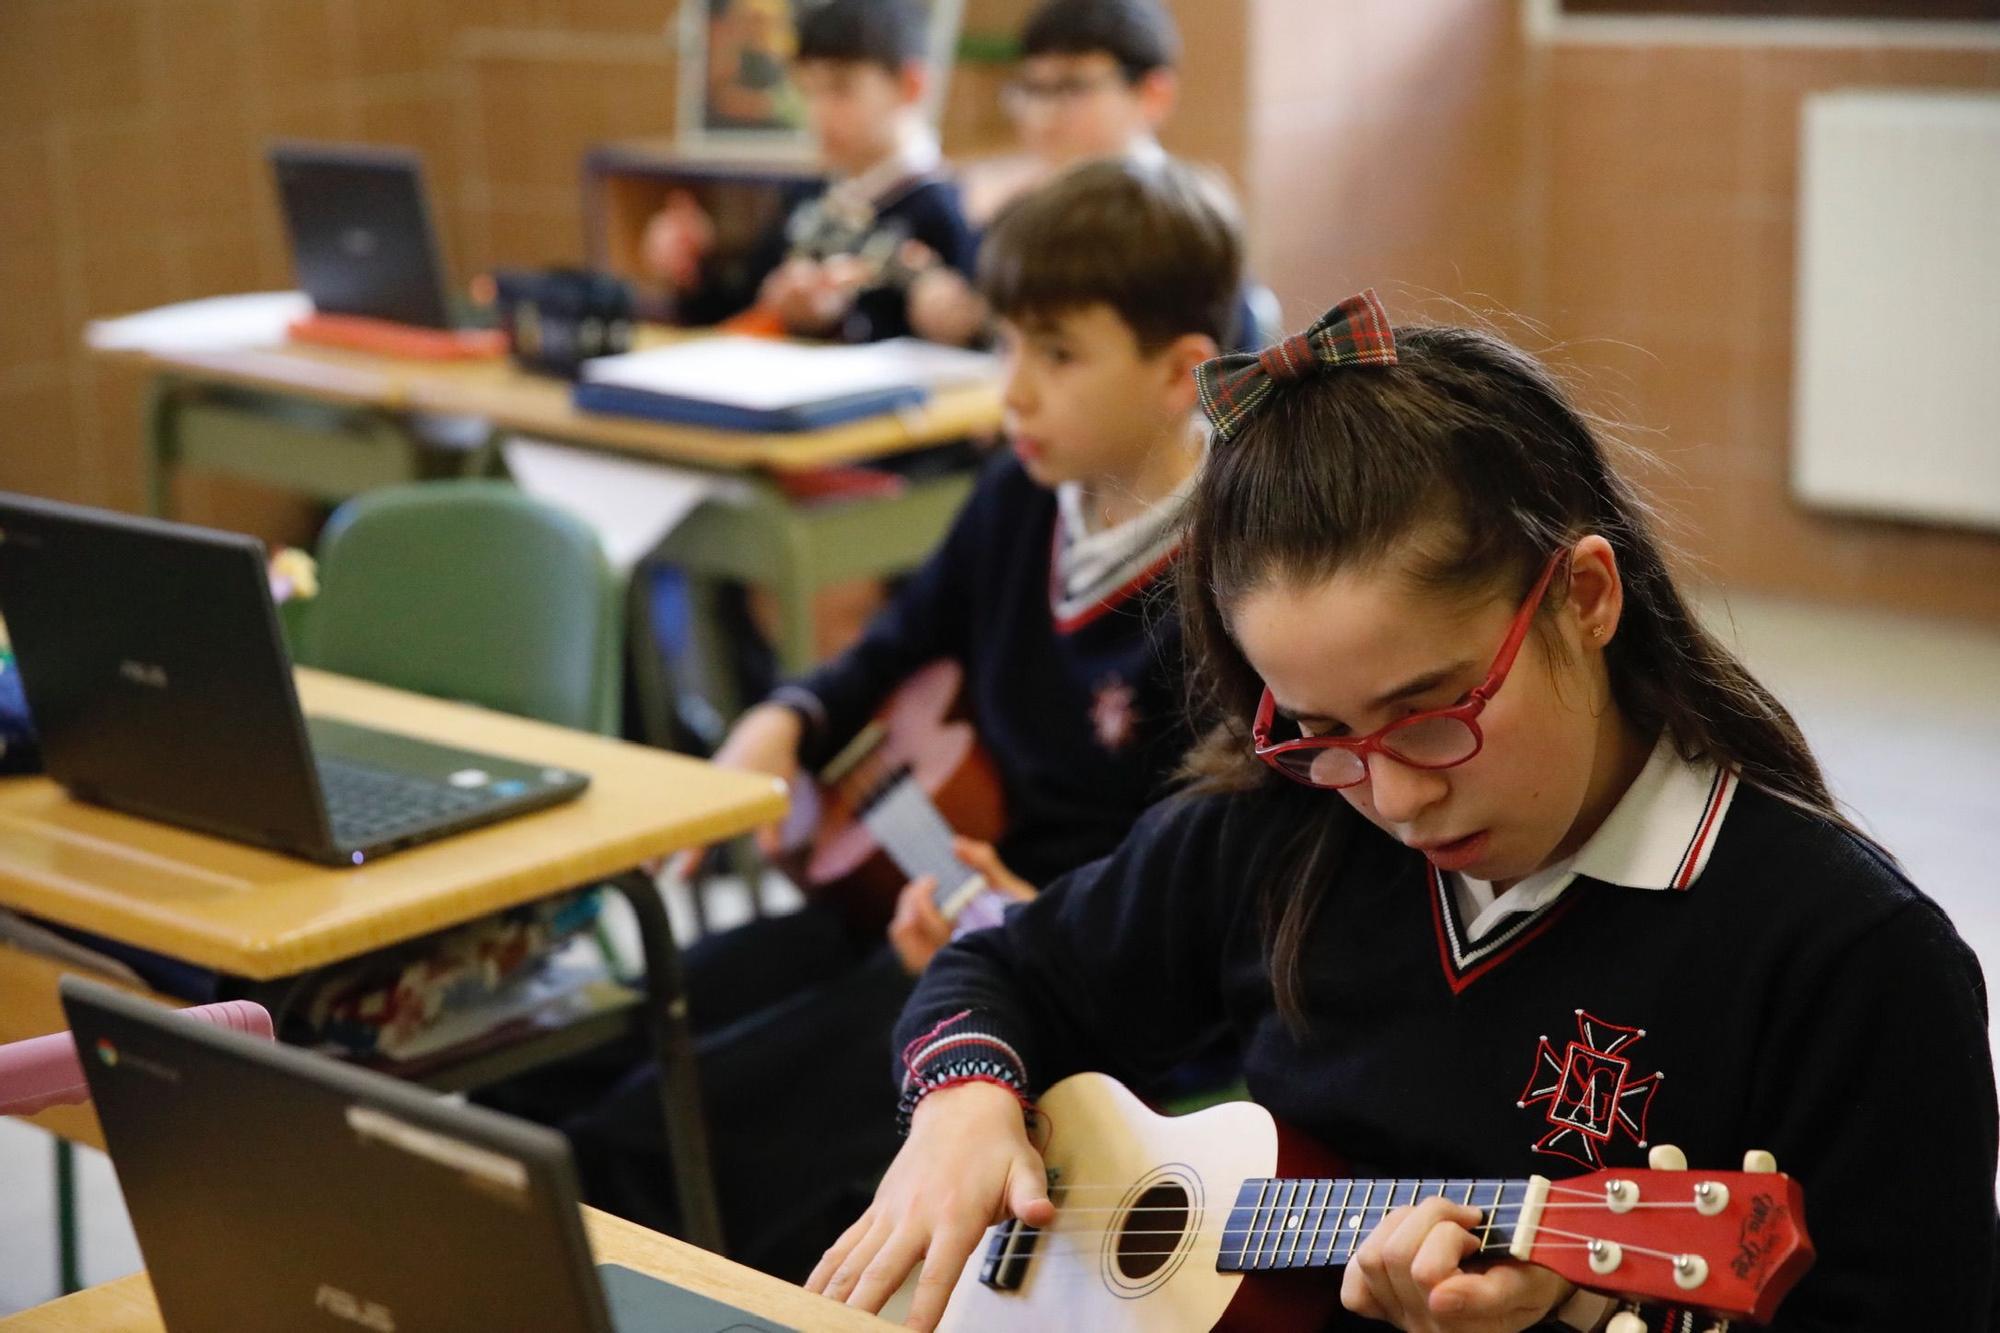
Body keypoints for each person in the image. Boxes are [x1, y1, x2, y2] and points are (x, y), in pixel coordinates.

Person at [808, 291, 2000, 1331]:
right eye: (1319, 731)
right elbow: (1010, 969)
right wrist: (960, 1099)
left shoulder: (1848, 962)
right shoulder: (1284, 825)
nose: (1392, 792)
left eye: (1432, 711)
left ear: (1584, 595)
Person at [546, 156, 1245, 1279]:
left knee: (669, 1137)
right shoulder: (1026, 491)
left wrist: (1036, 923)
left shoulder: (1233, 584)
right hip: (922, 894)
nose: (1011, 389)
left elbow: (1205, 889)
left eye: (1055, 355)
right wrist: (788, 712)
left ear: (1179, 375)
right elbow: (901, 640)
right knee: (613, 1027)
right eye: (1004, 344)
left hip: (1056, 961)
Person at [646, 0, 976, 342]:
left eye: (839, 88)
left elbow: (951, 343)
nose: (819, 112)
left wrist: (835, 320)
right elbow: (734, 309)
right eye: (809, 90)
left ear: (910, 86)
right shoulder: (809, 195)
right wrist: (695, 267)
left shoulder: (945, 210)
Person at [909, 0, 1187, 348]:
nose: (1041, 116)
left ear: (1152, 94)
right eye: (1032, 90)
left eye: (1071, 88)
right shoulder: (1017, 209)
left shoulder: (1178, 225)